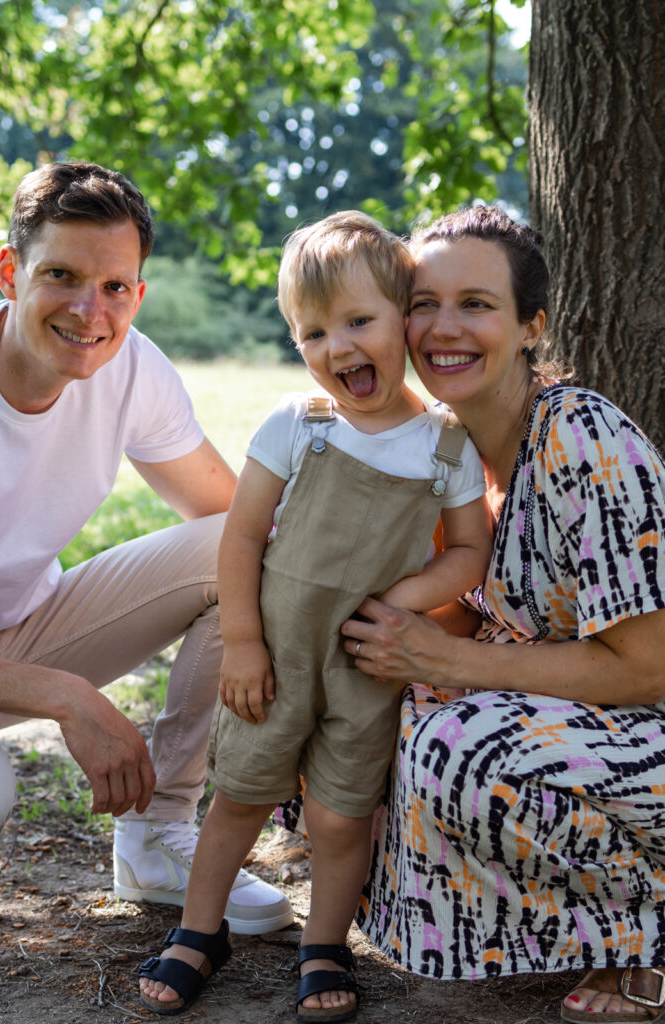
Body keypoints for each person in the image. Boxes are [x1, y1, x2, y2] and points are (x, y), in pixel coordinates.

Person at [138, 211, 492, 1018]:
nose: (337, 349)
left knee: (340, 818)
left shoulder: (443, 447)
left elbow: (468, 550)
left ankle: (325, 944)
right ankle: (199, 930)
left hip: (367, 667)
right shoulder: (299, 424)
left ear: (403, 316)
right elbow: (239, 537)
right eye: (312, 333)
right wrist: (242, 644)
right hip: (279, 655)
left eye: (358, 322)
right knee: (237, 800)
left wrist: (400, 603)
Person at [336, 206, 665, 1022]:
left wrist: (454, 667)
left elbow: (650, 665)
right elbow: (481, 619)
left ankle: (649, 934)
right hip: (579, 726)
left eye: (476, 304)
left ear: (530, 327)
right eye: (422, 302)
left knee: (461, 745)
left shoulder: (583, 438)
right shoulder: (439, 449)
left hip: (649, 724)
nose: (443, 328)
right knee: (357, 715)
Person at [0, 161, 293, 937]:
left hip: (27, 628)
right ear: (11, 271)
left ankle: (159, 837)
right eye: (61, 275)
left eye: (115, 286)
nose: (90, 310)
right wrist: (67, 697)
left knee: (247, 549)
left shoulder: (130, 366)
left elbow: (236, 519)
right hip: (26, 667)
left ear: (139, 294)